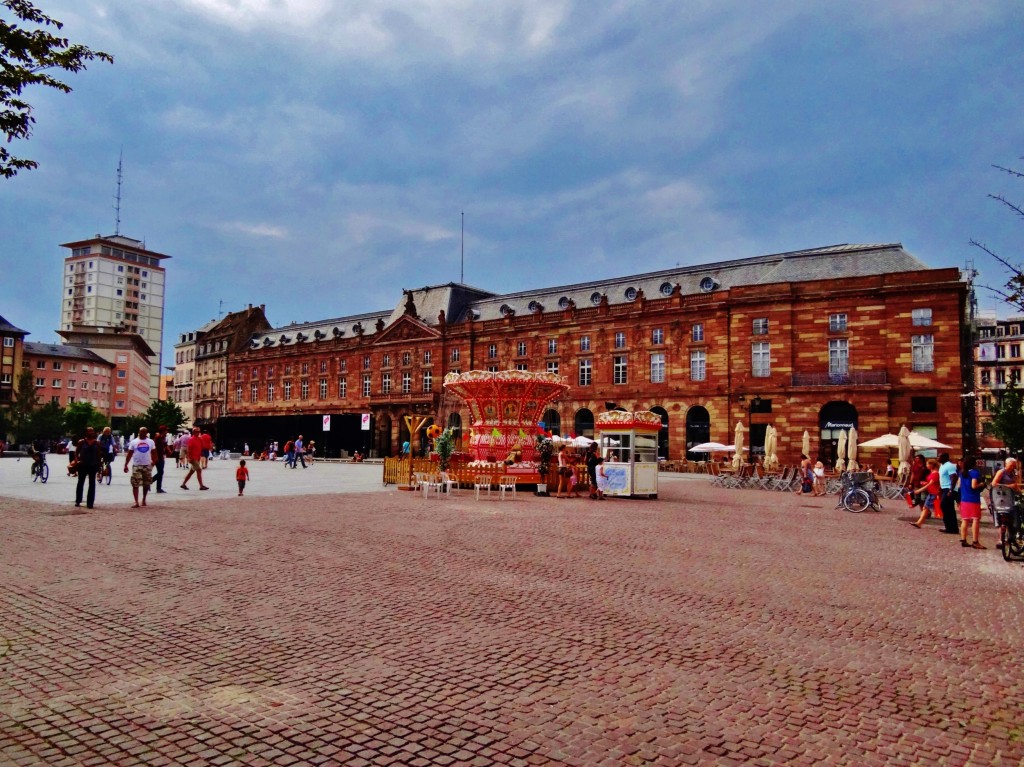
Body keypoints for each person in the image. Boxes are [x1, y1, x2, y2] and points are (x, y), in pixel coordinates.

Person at [123, 426, 157, 508]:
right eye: (141, 432)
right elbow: (130, 454)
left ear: (146, 433)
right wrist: (126, 464)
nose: (142, 433)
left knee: (146, 483)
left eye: (144, 432)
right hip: (137, 465)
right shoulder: (134, 442)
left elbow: (154, 453)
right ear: (139, 432)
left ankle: (144, 499)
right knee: (135, 483)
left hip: (147, 465)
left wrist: (154, 462)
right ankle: (136, 501)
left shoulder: (150, 442)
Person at [990, 457, 1021, 546]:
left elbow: (1015, 485)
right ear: (1006, 464)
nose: (1013, 467)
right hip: (1000, 498)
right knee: (1001, 518)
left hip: (1010, 498)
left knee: (1014, 517)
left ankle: (1012, 536)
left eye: (1014, 466)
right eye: (1011, 465)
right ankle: (1001, 539)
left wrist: (1019, 490)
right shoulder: (1001, 472)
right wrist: (1008, 486)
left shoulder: (1012, 473)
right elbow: (994, 484)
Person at [958, 456, 985, 549]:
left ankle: (963, 539)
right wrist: (981, 484)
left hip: (964, 499)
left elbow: (959, 485)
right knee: (975, 520)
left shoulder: (962, 473)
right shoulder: (975, 473)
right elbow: (973, 486)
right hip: (973, 499)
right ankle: (975, 541)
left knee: (964, 520)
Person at [73, 427, 103, 509]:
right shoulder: (81, 442)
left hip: (93, 465)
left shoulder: (97, 443)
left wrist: (99, 466)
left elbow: (99, 455)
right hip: (82, 465)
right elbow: (76, 453)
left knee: (92, 484)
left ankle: (90, 503)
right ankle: (78, 500)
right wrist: (77, 461)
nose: (91, 432)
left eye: (92, 431)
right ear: (86, 432)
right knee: (80, 483)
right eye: (89, 431)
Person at [912, 458, 941, 528]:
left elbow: (930, 484)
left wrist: (920, 490)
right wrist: (925, 483)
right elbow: (931, 483)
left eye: (928, 464)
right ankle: (919, 523)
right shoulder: (932, 473)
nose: (926, 465)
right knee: (926, 508)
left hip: (934, 493)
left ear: (931, 465)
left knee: (929, 508)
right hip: (931, 493)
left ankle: (919, 523)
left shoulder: (935, 474)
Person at [938, 452, 960, 534]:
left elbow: (953, 477)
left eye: (939, 456)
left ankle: (951, 527)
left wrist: (951, 490)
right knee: (948, 508)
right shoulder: (942, 466)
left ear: (944, 458)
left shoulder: (949, 465)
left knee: (945, 506)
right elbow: (943, 478)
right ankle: (951, 527)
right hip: (944, 488)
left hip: (949, 488)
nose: (938, 458)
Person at [152, 425, 169, 494]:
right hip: (158, 457)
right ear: (163, 431)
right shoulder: (158, 437)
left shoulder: (163, 437)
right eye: (166, 430)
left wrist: (168, 450)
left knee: (161, 472)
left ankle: (159, 488)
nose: (167, 431)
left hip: (161, 457)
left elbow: (165, 444)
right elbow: (154, 447)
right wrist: (155, 457)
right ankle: (150, 481)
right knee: (161, 472)